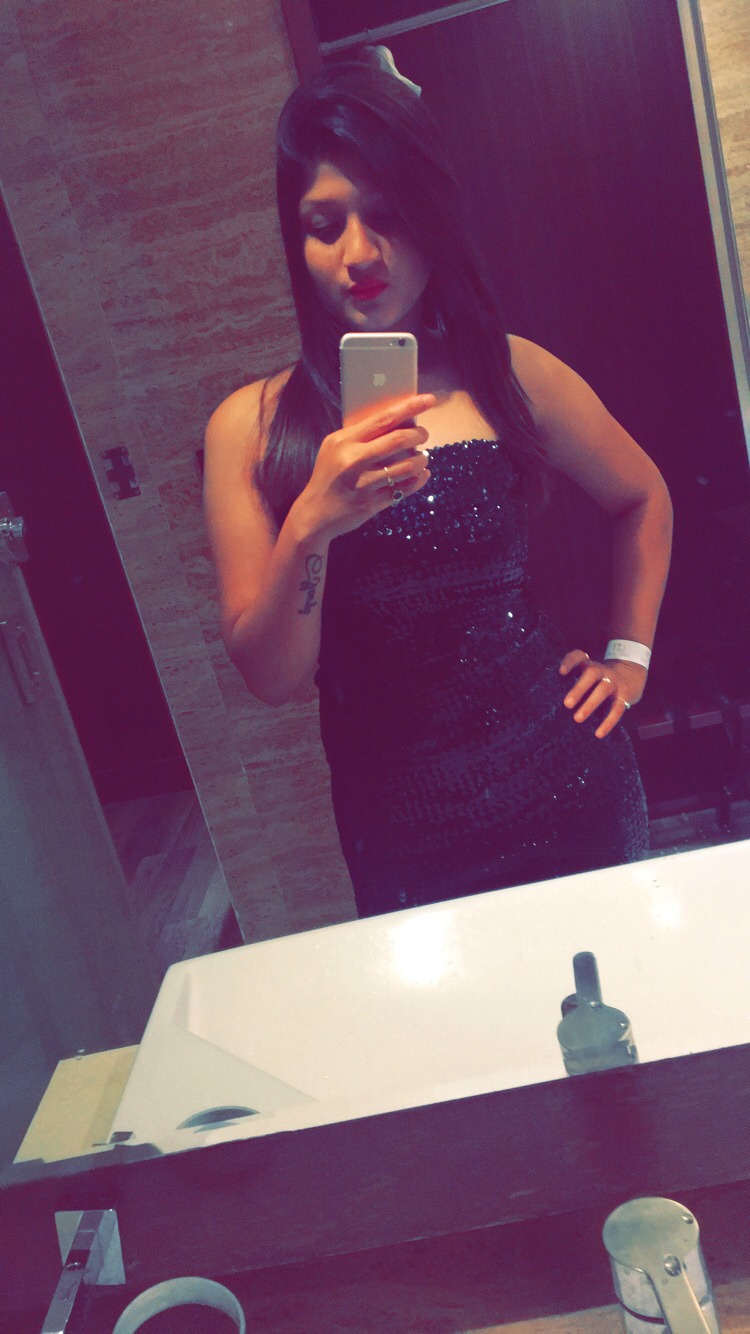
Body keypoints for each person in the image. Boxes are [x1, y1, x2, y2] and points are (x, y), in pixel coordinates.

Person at [203, 53, 673, 918]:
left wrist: (627, 662)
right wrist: (311, 526)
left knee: (604, 997)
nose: (359, 253)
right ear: (296, 241)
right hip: (401, 830)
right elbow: (271, 677)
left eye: (387, 215)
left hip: (567, 783)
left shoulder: (508, 374)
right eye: (324, 224)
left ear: (430, 219)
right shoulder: (252, 428)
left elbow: (643, 497)